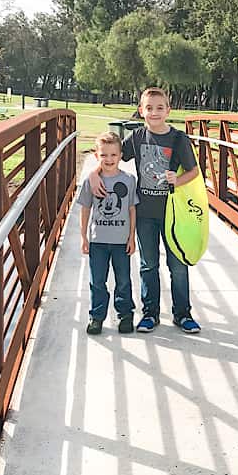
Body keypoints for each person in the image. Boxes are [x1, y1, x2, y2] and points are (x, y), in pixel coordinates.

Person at [89, 87, 202, 334]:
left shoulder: (178, 139)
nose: (154, 112)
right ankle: (150, 313)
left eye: (159, 107)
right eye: (149, 108)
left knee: (178, 265)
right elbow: (112, 156)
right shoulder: (138, 137)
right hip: (145, 214)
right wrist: (94, 172)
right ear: (141, 111)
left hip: (173, 215)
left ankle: (182, 314)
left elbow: (193, 172)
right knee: (148, 264)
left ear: (168, 110)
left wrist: (177, 180)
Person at [77, 132, 138, 335]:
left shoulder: (128, 180)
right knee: (97, 281)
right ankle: (97, 317)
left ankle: (125, 314)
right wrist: (83, 237)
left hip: (121, 241)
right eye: (104, 155)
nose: (109, 160)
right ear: (96, 156)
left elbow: (131, 209)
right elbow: (85, 208)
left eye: (113, 155)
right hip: (98, 241)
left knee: (123, 279)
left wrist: (132, 236)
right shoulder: (90, 181)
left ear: (120, 155)